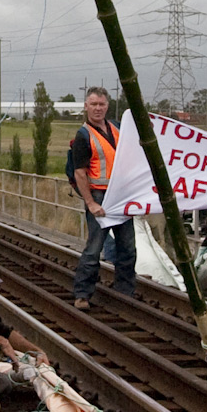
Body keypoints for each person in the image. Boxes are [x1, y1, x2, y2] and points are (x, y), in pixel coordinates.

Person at [67, 85, 136, 309]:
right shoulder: (83, 135)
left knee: (128, 247)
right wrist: (90, 202)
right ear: (86, 107)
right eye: (94, 104)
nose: (98, 108)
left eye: (102, 104)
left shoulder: (117, 128)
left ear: (108, 106)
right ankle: (82, 294)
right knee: (94, 247)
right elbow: (80, 173)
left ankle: (125, 291)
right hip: (98, 195)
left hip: (120, 196)